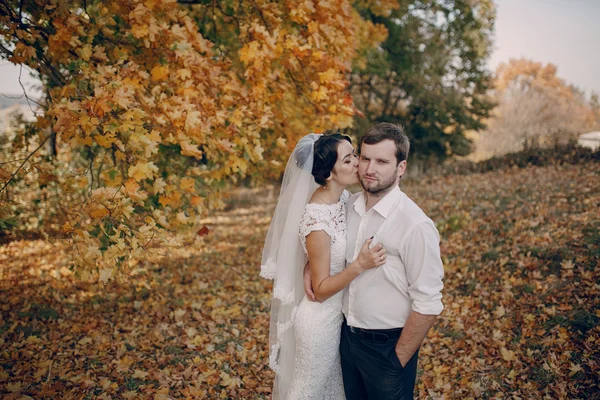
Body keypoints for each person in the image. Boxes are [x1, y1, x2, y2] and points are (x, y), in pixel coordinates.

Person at [305, 123, 445, 399]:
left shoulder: (415, 225)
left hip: (388, 348)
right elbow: (324, 240)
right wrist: (309, 265)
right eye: (365, 158)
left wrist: (397, 359)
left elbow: (429, 303)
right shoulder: (348, 206)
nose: (370, 168)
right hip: (346, 341)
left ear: (401, 167)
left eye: (382, 161)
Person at [260, 133, 386, 399]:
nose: (357, 163)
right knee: (308, 391)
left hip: (339, 319)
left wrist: (309, 264)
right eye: (348, 159)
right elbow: (320, 289)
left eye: (354, 155)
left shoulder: (341, 199)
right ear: (329, 174)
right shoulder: (317, 219)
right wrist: (359, 265)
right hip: (319, 323)